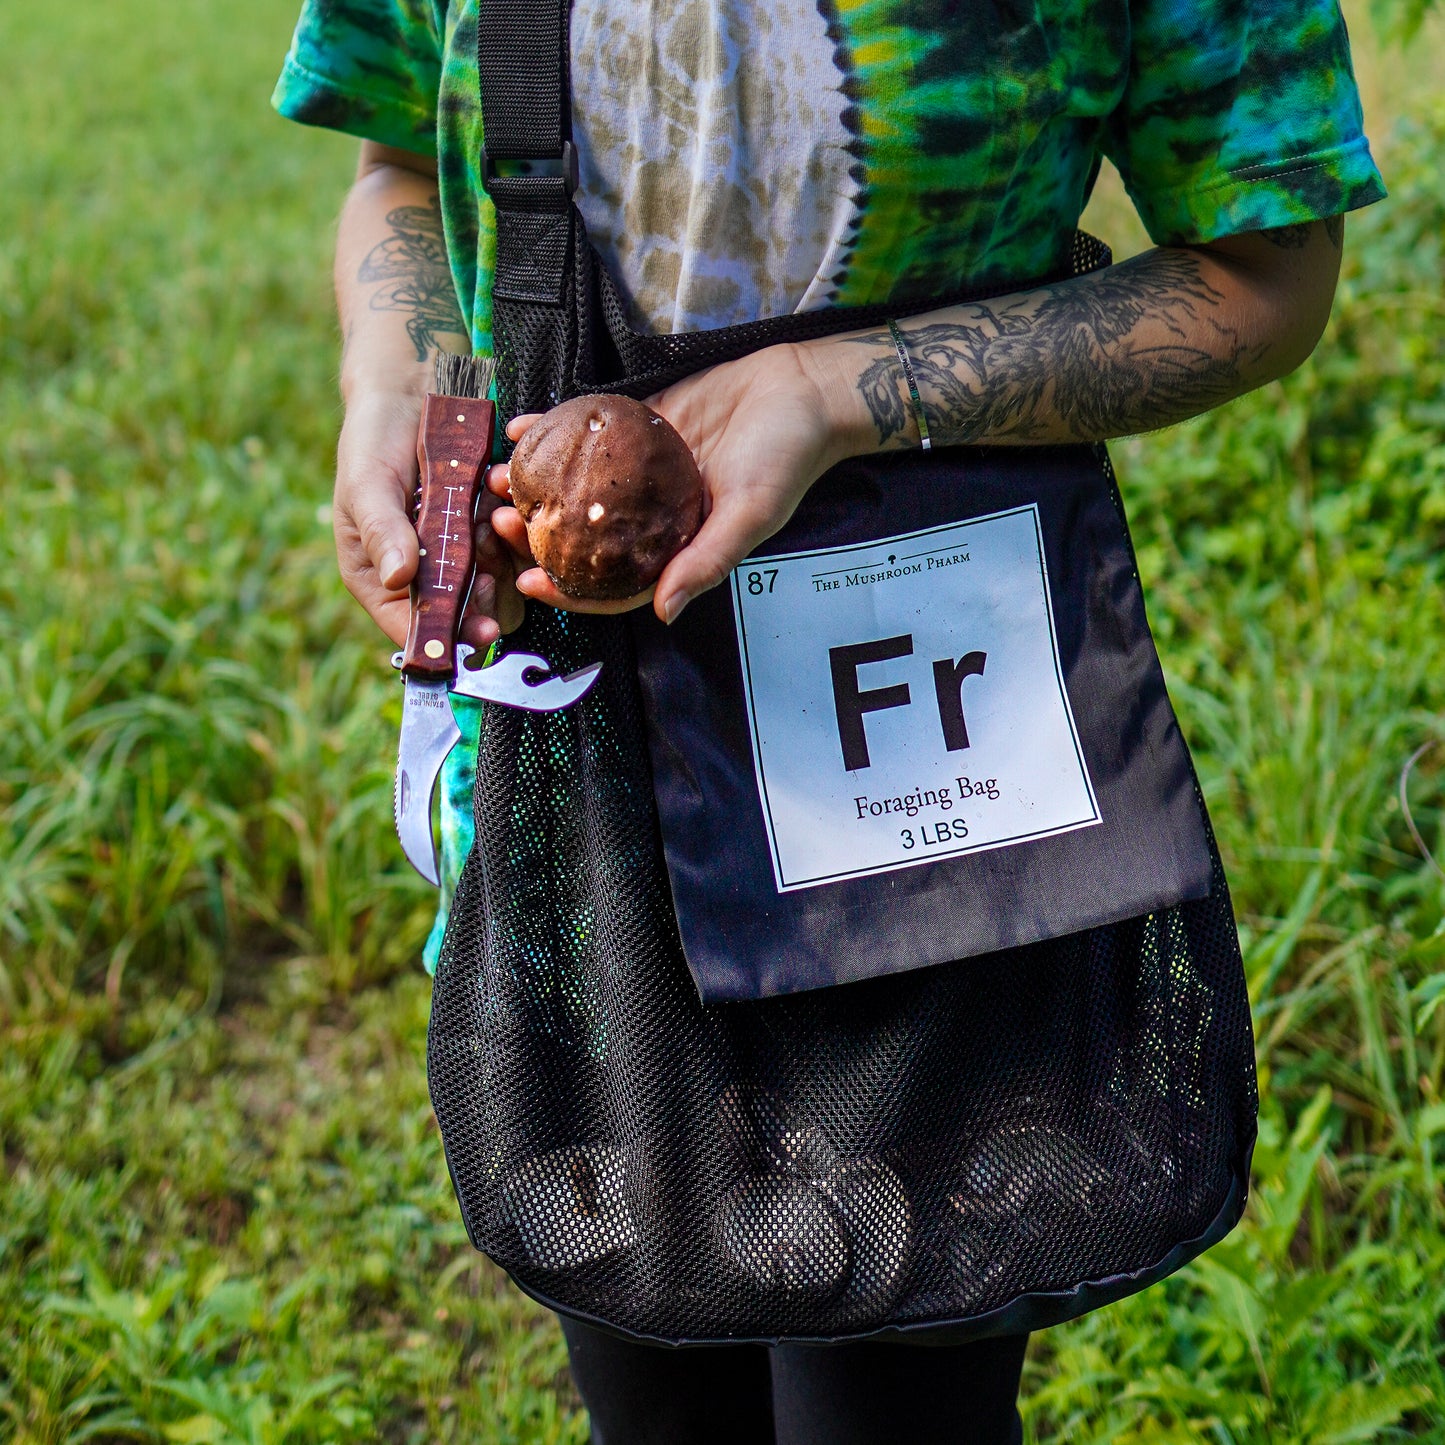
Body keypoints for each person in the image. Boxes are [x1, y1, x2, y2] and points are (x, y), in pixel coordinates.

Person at [273, 0, 1383, 1439]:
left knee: (902, 1378)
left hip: (923, 767)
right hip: (578, 754)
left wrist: (831, 394)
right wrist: (395, 390)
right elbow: (402, 169)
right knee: (639, 1340)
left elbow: (1263, 271)